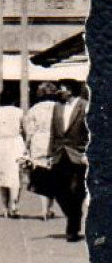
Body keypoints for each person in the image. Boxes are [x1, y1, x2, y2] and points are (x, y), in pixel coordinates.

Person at [48, 79, 89, 243]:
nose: (59, 91)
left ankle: (72, 228)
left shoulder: (85, 106)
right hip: (59, 154)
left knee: (75, 190)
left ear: (70, 90)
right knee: (58, 190)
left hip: (78, 154)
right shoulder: (57, 108)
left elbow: (92, 131)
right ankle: (74, 215)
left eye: (62, 88)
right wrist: (50, 154)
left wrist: (88, 152)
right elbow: (53, 132)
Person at [23, 81, 60, 219]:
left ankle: (44, 209)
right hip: (55, 143)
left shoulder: (34, 109)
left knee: (41, 176)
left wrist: (27, 146)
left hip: (38, 143)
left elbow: (30, 131)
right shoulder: (59, 108)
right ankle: (49, 208)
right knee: (53, 176)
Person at [0, 95, 27, 218]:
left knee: (2, 175)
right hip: (16, 143)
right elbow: (26, 131)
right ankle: (14, 204)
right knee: (16, 174)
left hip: (1, 144)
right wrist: (27, 146)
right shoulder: (20, 112)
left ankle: (5, 207)